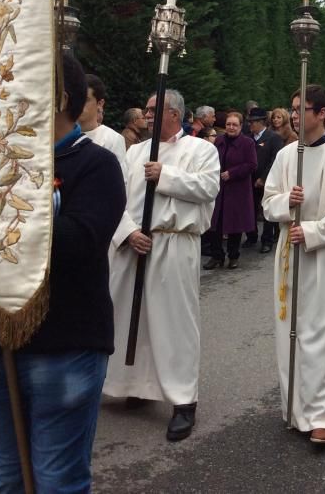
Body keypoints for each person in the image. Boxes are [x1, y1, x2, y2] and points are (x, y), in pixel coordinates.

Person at [0, 53, 125, 492]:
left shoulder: (96, 164)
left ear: (59, 98)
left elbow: (78, 244)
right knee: (9, 480)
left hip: (63, 345)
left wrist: (14, 197)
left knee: (57, 481)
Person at [103, 89, 220, 441]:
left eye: (154, 110)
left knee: (175, 323)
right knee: (129, 318)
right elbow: (116, 196)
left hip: (175, 242)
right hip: (135, 243)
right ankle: (136, 384)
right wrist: (126, 232)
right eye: (146, 110)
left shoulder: (202, 149)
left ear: (175, 114)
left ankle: (184, 401)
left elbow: (208, 187)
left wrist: (165, 176)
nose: (147, 116)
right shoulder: (135, 151)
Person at [261, 84, 325, 445]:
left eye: (303, 108)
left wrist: (314, 230)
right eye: (293, 108)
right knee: (294, 331)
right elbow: (268, 202)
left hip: (323, 256)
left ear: (322, 114)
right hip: (289, 255)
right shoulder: (287, 156)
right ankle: (296, 406)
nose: (294, 114)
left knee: (324, 333)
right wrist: (288, 201)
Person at [205, 112, 257, 269]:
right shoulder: (219, 140)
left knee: (235, 225)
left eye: (235, 124)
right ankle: (216, 256)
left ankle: (233, 256)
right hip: (219, 189)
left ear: (241, 126)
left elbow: (252, 164)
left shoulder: (247, 143)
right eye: (228, 124)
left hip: (237, 190)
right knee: (215, 224)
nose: (231, 127)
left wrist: (232, 173)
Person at [245, 107, 283, 254]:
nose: (250, 125)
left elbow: (275, 160)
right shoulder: (247, 137)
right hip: (249, 180)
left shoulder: (273, 138)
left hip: (267, 180)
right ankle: (251, 236)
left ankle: (267, 240)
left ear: (261, 122)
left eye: (253, 122)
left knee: (267, 211)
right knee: (251, 209)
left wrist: (263, 178)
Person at [79, 74, 128, 178]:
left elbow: (118, 182)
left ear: (100, 103)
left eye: (86, 99)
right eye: (77, 98)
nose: (79, 104)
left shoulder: (113, 139)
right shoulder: (63, 135)